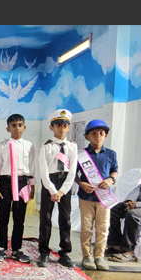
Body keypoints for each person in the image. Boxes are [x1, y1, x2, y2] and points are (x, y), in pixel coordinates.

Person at [75, 119, 119, 271]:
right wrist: (81, 183)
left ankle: (99, 256)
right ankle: (87, 256)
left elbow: (114, 171)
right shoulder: (81, 154)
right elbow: (73, 175)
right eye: (93, 133)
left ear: (105, 135)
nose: (98, 136)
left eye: (101, 133)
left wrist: (110, 180)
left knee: (103, 227)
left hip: (104, 197)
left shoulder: (111, 154)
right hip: (85, 197)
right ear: (87, 136)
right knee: (86, 227)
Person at [36, 109, 78, 268]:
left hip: (65, 183)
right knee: (45, 218)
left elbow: (72, 171)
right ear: (51, 127)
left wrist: (62, 191)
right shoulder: (47, 146)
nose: (62, 128)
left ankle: (64, 252)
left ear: (68, 127)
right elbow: (43, 171)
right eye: (58, 125)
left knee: (65, 218)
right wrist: (53, 191)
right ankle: (44, 252)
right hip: (50, 183)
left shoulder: (72, 146)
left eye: (65, 125)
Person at [0, 113, 36, 264]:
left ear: (24, 127)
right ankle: (1, 248)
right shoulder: (2, 145)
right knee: (3, 217)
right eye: (13, 126)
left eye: (20, 125)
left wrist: (32, 185)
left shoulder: (29, 146)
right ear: (8, 128)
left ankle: (17, 249)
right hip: (5, 183)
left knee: (19, 217)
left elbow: (31, 166)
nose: (17, 128)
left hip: (22, 183)